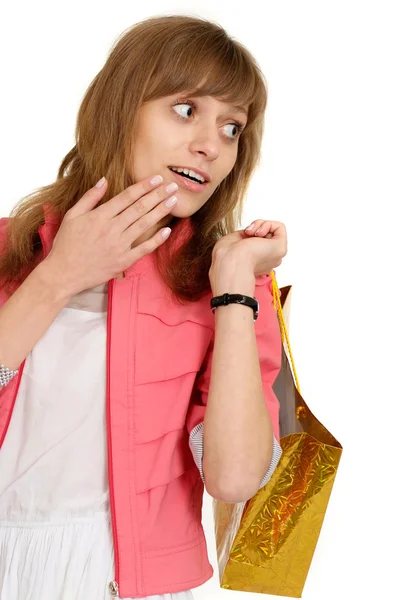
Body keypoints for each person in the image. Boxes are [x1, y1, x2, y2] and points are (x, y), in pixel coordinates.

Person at [0, 14, 287, 600]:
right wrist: (58, 278)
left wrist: (233, 288)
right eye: (187, 109)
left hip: (129, 584)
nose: (210, 144)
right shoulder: (11, 249)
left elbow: (233, 479)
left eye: (233, 128)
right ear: (120, 106)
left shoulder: (226, 284)